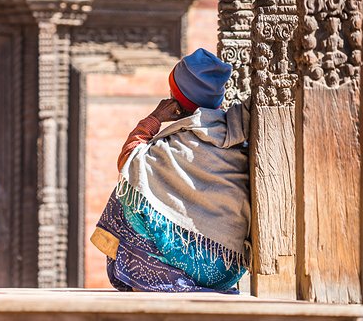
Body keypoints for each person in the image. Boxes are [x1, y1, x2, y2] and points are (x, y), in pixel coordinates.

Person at [90, 47, 251, 293]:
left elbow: (128, 161)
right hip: (226, 269)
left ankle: (164, 281)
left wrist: (155, 117)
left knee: (130, 192)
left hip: (192, 263)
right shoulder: (234, 132)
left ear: (177, 100)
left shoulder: (179, 143)